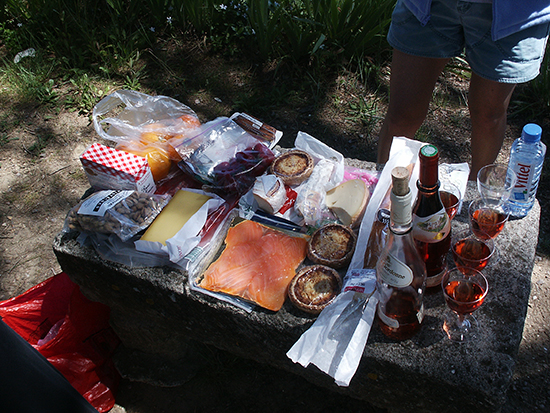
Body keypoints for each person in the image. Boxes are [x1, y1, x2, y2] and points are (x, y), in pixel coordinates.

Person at [376, 0, 550, 180]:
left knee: (488, 117)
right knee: (401, 115)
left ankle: (474, 198)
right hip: (428, 5)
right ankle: (382, 197)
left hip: (514, 13)